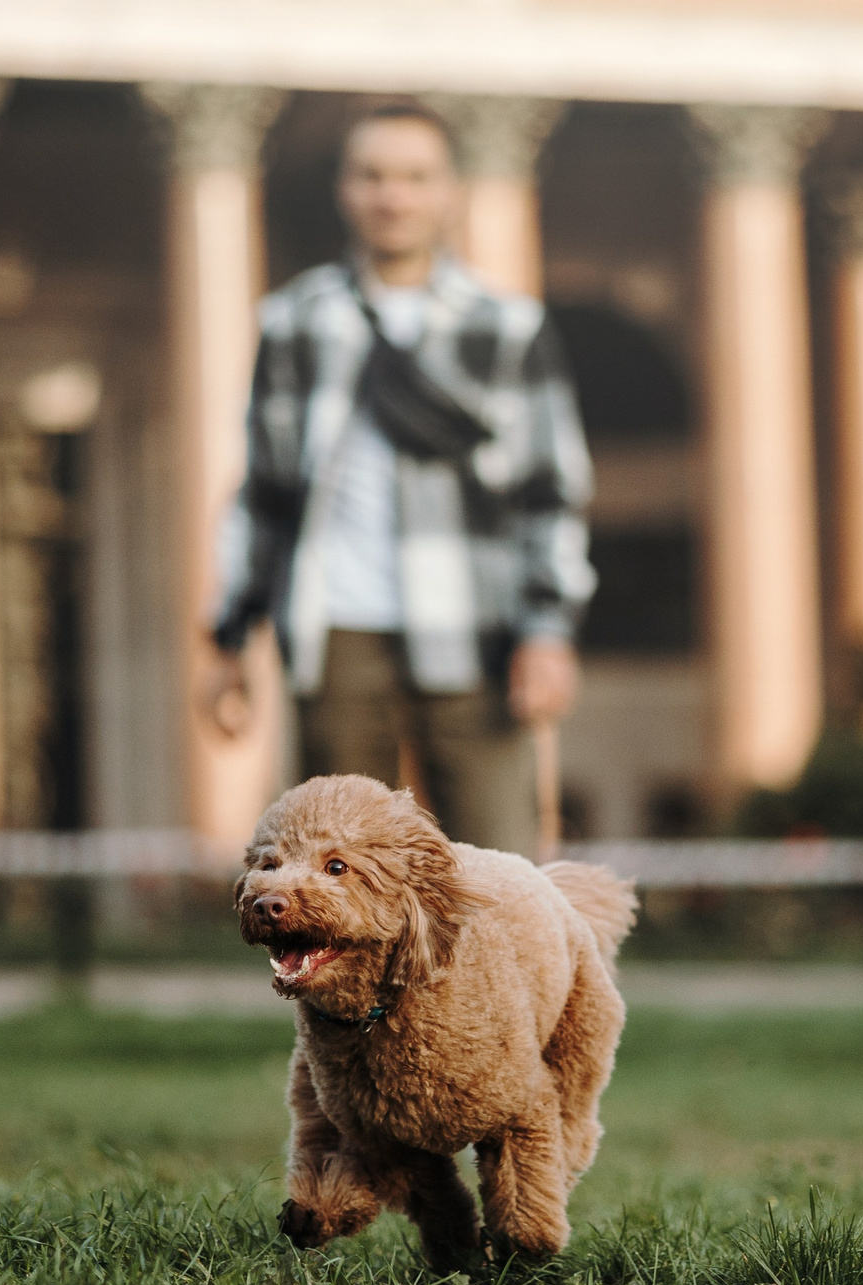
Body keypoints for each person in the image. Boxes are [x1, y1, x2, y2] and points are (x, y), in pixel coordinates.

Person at [201, 101, 597, 855]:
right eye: (374, 175)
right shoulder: (295, 323)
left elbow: (551, 492)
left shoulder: (506, 328)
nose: (394, 196)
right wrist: (227, 638)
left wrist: (548, 630)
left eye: (416, 177)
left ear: (450, 192)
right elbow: (263, 492)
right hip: (336, 629)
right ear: (344, 189)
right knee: (336, 872)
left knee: (495, 868)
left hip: (475, 627)